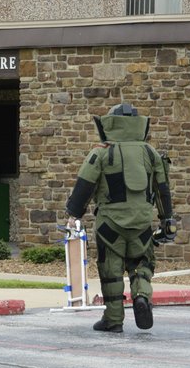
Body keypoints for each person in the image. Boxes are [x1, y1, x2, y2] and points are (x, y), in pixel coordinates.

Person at [65, 102, 176, 332]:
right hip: (142, 222)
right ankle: (142, 297)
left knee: (111, 270)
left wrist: (74, 215)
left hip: (109, 224)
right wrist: (167, 219)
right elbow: (162, 188)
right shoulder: (150, 153)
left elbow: (83, 186)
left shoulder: (101, 152)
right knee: (142, 264)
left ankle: (113, 319)